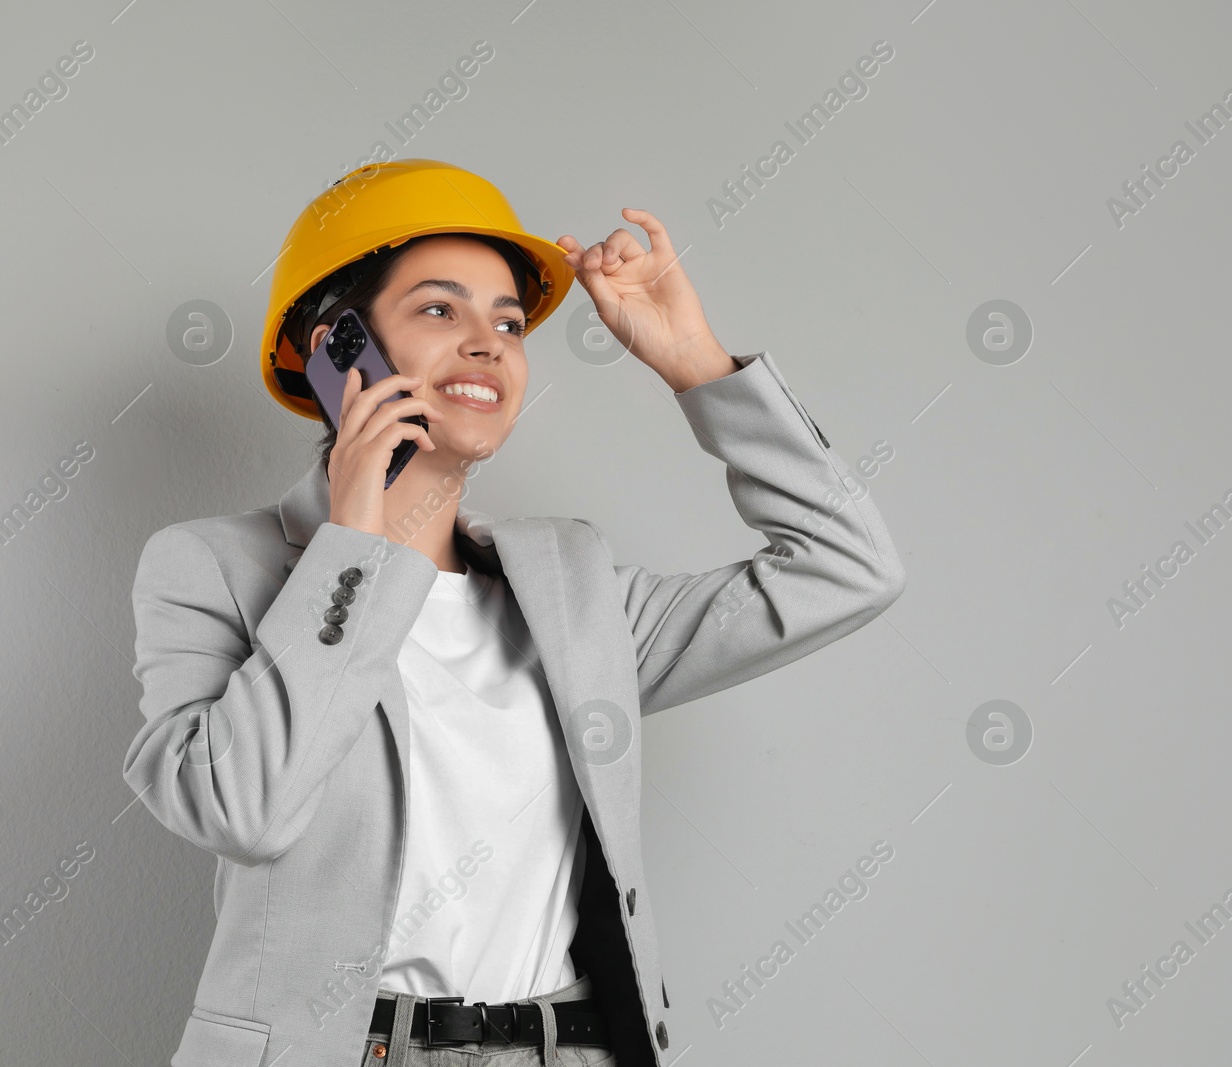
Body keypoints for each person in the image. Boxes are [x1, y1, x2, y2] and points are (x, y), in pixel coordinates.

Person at [124, 158, 906, 1067]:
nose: (490, 343)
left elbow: (850, 567)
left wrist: (698, 367)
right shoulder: (213, 567)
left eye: (507, 320)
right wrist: (354, 544)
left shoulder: (570, 586)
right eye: (438, 309)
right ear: (335, 346)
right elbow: (242, 810)